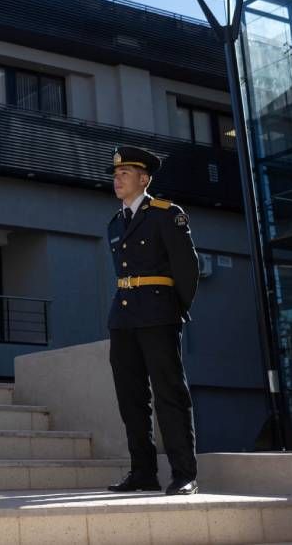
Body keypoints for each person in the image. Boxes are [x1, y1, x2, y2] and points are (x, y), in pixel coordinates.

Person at [103, 146, 200, 496]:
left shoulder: (165, 214)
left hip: (158, 314)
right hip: (123, 316)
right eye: (115, 175)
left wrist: (174, 310)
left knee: (169, 394)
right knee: (131, 398)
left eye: (124, 174)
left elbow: (187, 269)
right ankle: (143, 472)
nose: (117, 179)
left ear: (143, 179)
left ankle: (184, 473)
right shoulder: (115, 223)